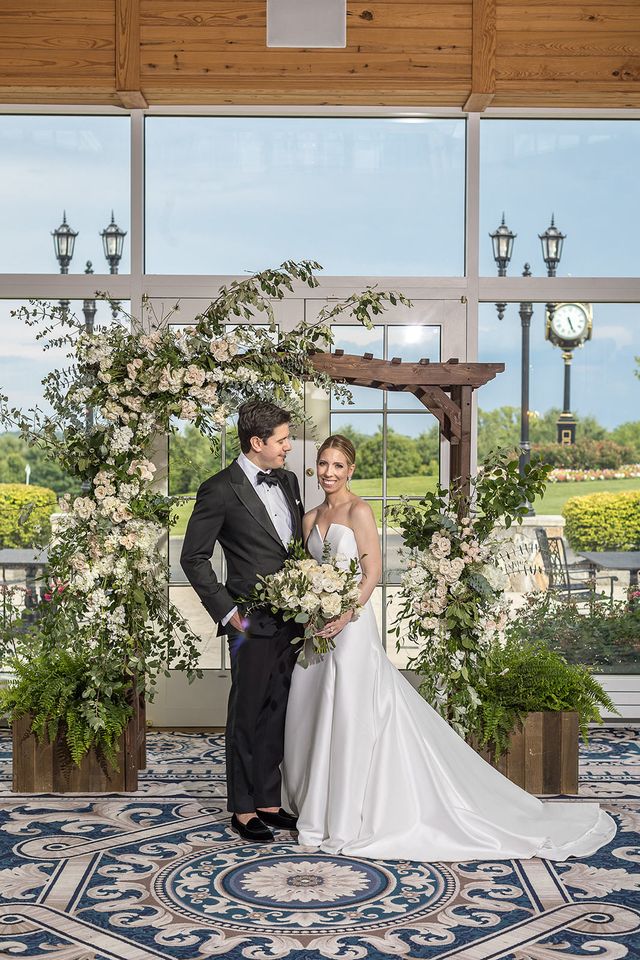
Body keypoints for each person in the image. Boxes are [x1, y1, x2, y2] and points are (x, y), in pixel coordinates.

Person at [282, 434, 616, 862]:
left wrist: (345, 615)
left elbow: (373, 573)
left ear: (351, 470)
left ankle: (346, 820)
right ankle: (317, 812)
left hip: (350, 630)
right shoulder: (309, 519)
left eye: (338, 465)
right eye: (323, 464)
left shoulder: (359, 511)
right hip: (316, 632)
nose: (329, 472)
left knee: (349, 717)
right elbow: (310, 575)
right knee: (311, 714)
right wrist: (312, 610)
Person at [180, 400, 303, 844]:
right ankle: (243, 808)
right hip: (248, 622)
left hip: (293, 620)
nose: (289, 446)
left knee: (277, 712)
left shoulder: (288, 481)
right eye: (283, 439)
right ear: (258, 443)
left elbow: (294, 548)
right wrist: (227, 611)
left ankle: (269, 802)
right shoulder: (219, 488)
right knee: (246, 713)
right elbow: (192, 557)